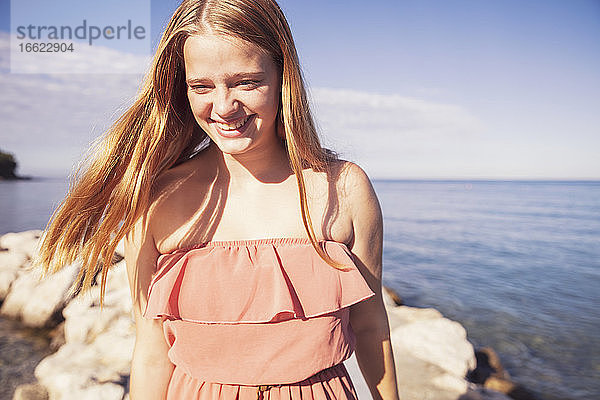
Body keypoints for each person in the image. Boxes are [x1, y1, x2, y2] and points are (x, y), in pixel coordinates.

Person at [34, 0, 400, 399]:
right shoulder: (158, 198)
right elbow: (153, 351)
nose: (224, 107)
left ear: (283, 76)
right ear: (182, 87)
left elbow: (369, 326)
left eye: (246, 82)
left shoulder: (344, 188)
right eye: (202, 86)